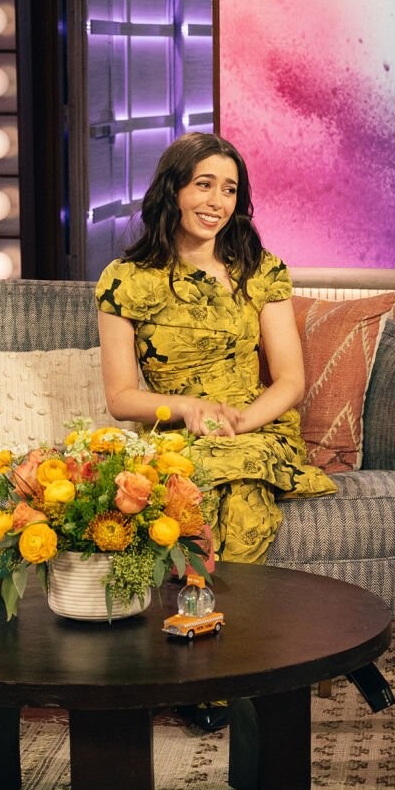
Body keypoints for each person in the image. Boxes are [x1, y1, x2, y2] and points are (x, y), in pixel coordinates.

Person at [94, 132, 335, 567]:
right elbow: (121, 398)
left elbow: (290, 381)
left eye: (229, 190)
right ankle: (213, 603)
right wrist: (188, 408)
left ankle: (210, 602)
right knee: (193, 484)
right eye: (203, 185)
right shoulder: (124, 280)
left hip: (256, 429)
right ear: (173, 189)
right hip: (177, 435)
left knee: (239, 478)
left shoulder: (260, 270)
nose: (217, 202)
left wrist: (239, 424)